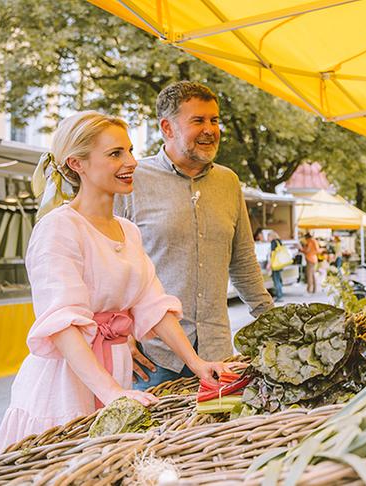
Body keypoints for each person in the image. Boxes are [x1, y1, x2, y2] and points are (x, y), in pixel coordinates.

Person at [0, 112, 232, 455]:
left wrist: (197, 364)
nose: (131, 162)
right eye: (115, 153)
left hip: (113, 375)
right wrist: (111, 393)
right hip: (67, 382)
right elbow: (62, 324)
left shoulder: (128, 230)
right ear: (78, 164)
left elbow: (153, 303)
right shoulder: (59, 228)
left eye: (130, 151)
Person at [115, 81, 274, 390]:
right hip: (155, 358)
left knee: (215, 436)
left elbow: (242, 260)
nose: (210, 129)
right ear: (167, 127)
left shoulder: (228, 182)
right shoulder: (133, 182)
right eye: (198, 120)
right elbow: (113, 264)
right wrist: (121, 334)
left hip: (217, 353)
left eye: (214, 120)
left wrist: (270, 319)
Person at [267, 231, 285, 302]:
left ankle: (279, 296)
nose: (267, 238)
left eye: (268, 237)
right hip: (280, 263)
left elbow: (273, 254)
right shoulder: (279, 242)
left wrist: (269, 264)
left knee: (276, 280)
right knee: (279, 279)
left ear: (271, 236)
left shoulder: (273, 242)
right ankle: (280, 294)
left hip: (275, 264)